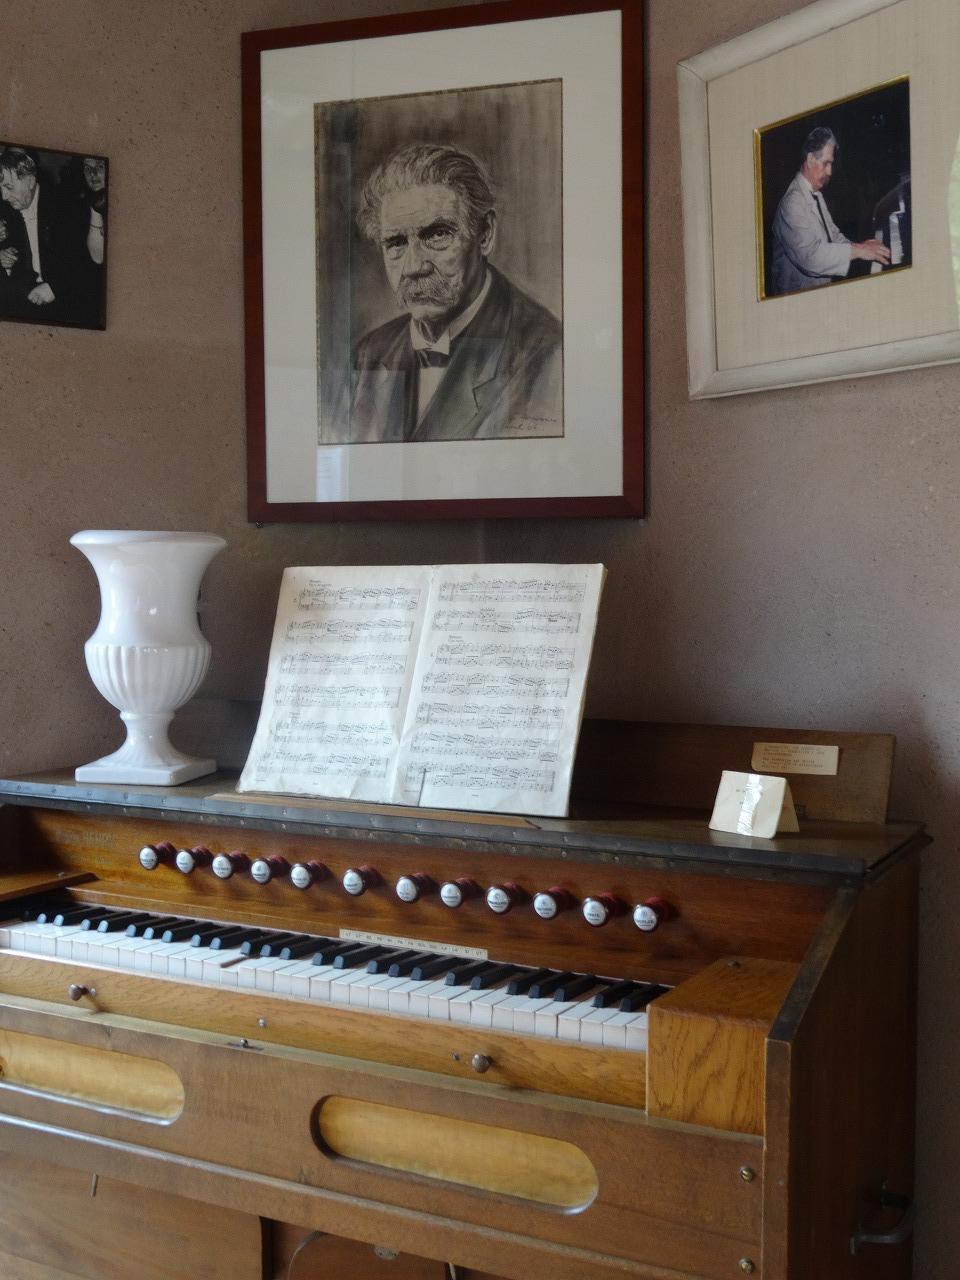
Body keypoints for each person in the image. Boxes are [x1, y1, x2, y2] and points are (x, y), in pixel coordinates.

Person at [325, 142, 562, 444]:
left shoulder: (547, 354)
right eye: (396, 243)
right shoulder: (368, 354)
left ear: (485, 235)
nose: (414, 267)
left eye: (437, 235)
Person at [769, 127, 890, 295]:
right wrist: (859, 250)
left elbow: (833, 235)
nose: (830, 172)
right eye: (826, 163)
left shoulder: (815, 194)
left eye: (831, 164)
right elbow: (811, 257)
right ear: (810, 159)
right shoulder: (792, 203)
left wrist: (861, 247)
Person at [0, 146, 89, 323]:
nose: (4, 196)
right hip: (21, 299)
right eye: (0, 188)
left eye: (9, 187)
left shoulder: (66, 206)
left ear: (30, 181)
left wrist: (55, 287)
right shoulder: (6, 210)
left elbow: (84, 263)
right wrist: (2, 256)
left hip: (64, 301)